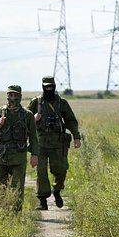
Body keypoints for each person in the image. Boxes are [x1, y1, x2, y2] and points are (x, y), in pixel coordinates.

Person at [27, 76, 81, 210]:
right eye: (46, 86)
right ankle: (43, 200)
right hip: (40, 143)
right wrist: (33, 118)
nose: (49, 89)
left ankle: (57, 191)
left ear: (55, 86)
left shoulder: (61, 103)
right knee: (41, 172)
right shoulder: (36, 102)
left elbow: (71, 120)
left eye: (51, 86)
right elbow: (25, 120)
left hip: (58, 143)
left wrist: (76, 137)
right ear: (42, 87)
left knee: (61, 169)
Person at [0, 85, 38, 212]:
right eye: (10, 95)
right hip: (1, 155)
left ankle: (15, 214)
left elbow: (33, 137)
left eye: (15, 95)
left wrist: (35, 155)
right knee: (0, 185)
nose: (12, 98)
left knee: (17, 186)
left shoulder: (27, 115)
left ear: (20, 96)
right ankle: (2, 211)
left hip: (18, 156)